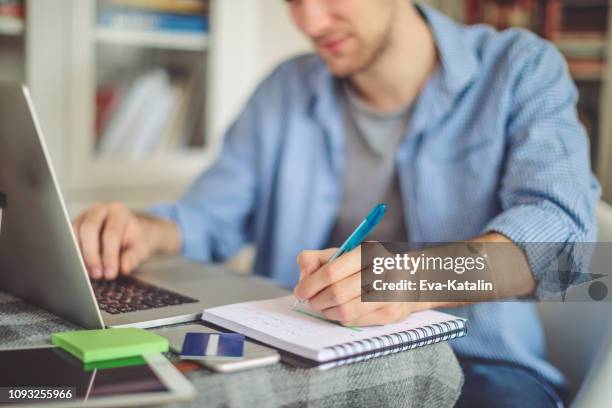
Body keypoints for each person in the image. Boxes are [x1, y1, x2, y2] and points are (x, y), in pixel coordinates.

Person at [72, 1, 600, 406]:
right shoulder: (285, 89)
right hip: (300, 357)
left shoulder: (520, 70)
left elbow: (559, 243)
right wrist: (140, 230)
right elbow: (210, 215)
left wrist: (412, 280)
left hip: (483, 368)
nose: (310, 20)